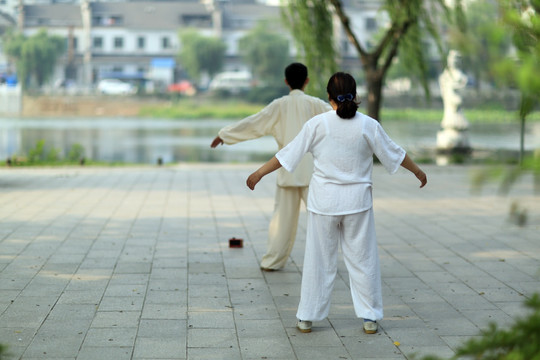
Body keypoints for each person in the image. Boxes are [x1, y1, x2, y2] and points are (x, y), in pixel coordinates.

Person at [246, 72, 427, 334]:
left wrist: (259, 173)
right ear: (356, 96)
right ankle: (369, 317)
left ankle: (307, 317)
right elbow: (396, 154)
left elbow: (287, 155)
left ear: (329, 97)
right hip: (358, 204)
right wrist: (418, 172)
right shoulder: (368, 125)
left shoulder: (317, 124)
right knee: (363, 260)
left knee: (319, 261)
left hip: (324, 204)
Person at [211, 63, 332, 271]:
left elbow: (254, 123)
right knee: (321, 221)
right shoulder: (317, 105)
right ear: (307, 81)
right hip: (312, 172)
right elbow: (339, 120)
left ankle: (272, 262)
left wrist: (225, 135)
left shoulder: (279, 105)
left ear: (286, 82)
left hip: (286, 168)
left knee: (281, 222)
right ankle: (325, 263)